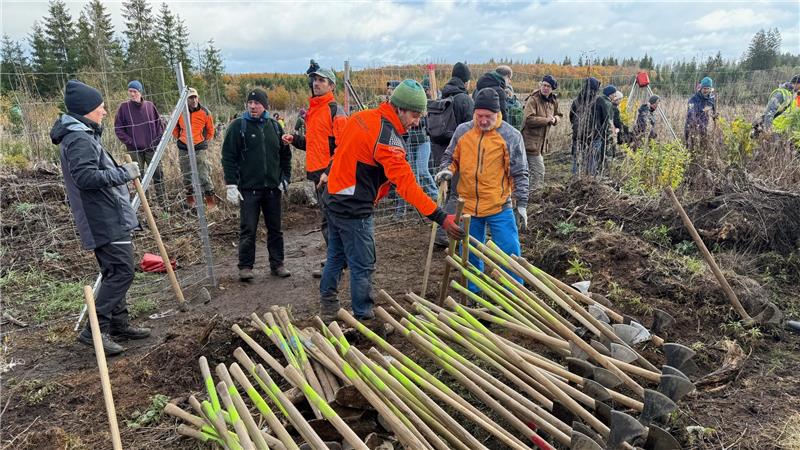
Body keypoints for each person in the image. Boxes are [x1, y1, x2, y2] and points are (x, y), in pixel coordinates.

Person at [319, 80, 465, 322]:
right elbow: (407, 185)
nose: (417, 122)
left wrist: (329, 170)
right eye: (415, 115)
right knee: (363, 264)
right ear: (399, 108)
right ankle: (364, 317)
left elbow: (340, 149)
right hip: (353, 206)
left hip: (333, 198)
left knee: (336, 254)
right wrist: (441, 217)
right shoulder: (387, 140)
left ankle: (328, 306)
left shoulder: (362, 117)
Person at [51, 80, 150, 356]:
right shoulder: (79, 138)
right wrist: (124, 174)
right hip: (102, 218)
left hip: (106, 215)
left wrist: (119, 174)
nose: (105, 112)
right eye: (100, 108)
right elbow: (86, 177)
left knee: (114, 271)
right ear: (86, 111)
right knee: (122, 272)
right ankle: (95, 331)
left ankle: (118, 324)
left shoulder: (82, 134)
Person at [435, 88, 529, 292]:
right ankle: (473, 294)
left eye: (489, 116)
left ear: (498, 114)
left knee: (509, 251)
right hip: (467, 207)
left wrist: (521, 202)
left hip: (499, 205)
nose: (484, 120)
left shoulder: (510, 136)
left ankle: (515, 292)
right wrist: (446, 171)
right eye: (480, 115)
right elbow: (450, 157)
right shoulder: (463, 131)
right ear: (474, 113)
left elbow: (519, 171)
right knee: (469, 252)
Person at [282, 66, 347, 278]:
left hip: (331, 174)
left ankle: (337, 261)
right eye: (314, 80)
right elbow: (316, 143)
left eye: (321, 80)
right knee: (328, 218)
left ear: (332, 86)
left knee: (333, 219)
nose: (316, 83)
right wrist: (296, 140)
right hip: (318, 173)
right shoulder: (314, 111)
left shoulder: (335, 111)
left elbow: (344, 147)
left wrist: (329, 171)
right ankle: (336, 257)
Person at [222, 89, 292, 281]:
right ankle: (245, 266)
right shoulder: (238, 127)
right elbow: (228, 156)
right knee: (248, 228)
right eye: (250, 103)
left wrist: (285, 178)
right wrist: (231, 184)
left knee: (275, 228)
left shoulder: (275, 127)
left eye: (257, 103)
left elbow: (285, 155)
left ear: (265, 106)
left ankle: (277, 264)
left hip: (272, 189)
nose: (253, 106)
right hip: (248, 189)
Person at [430, 62, 474, 247]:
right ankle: (442, 234)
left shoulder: (443, 96)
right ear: (466, 81)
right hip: (457, 155)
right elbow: (472, 130)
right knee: (457, 194)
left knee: (447, 194)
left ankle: (443, 228)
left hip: (440, 152)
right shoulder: (464, 100)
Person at [114, 80, 166, 202]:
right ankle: (144, 203)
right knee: (139, 177)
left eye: (135, 91)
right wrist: (130, 142)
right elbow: (118, 129)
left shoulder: (149, 106)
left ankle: (163, 202)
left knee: (158, 174)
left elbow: (159, 125)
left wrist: (156, 141)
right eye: (130, 91)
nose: (132, 94)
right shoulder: (123, 108)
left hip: (151, 148)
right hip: (134, 150)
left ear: (140, 92)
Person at [172, 87, 216, 209]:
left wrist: (202, 141)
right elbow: (174, 128)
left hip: (199, 147)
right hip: (183, 147)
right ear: (185, 100)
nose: (194, 100)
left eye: (195, 97)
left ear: (198, 98)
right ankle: (190, 201)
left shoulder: (205, 112)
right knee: (186, 175)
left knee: (203, 175)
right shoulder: (179, 111)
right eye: (191, 97)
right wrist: (181, 137)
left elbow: (210, 130)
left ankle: (211, 203)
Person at [521, 75, 561, 191]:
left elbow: (559, 115)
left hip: (541, 143)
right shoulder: (533, 99)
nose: (545, 88)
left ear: (552, 89)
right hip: (530, 142)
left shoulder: (552, 100)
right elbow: (528, 119)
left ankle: (525, 195)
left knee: (529, 172)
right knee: (539, 172)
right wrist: (547, 120)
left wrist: (554, 120)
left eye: (548, 86)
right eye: (543, 85)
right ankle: (533, 197)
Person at [569, 77, 600, 174]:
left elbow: (571, 117)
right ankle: (590, 181)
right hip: (593, 137)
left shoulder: (576, 100)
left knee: (576, 162)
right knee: (591, 162)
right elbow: (604, 119)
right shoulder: (598, 101)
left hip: (577, 137)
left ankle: (575, 181)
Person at [587, 85, 617, 176]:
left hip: (594, 132)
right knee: (603, 155)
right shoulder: (607, 103)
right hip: (603, 134)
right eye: (614, 94)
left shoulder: (598, 100)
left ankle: (592, 173)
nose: (615, 96)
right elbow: (609, 120)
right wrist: (612, 134)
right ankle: (601, 173)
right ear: (610, 94)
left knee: (594, 154)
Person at [684, 76, 717, 151]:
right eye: (704, 88)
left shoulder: (712, 99)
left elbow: (713, 112)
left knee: (703, 147)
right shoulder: (693, 100)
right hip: (692, 127)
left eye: (708, 88)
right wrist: (696, 124)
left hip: (704, 127)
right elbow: (690, 114)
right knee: (690, 148)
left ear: (710, 89)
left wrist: (714, 116)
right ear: (701, 88)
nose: (706, 90)